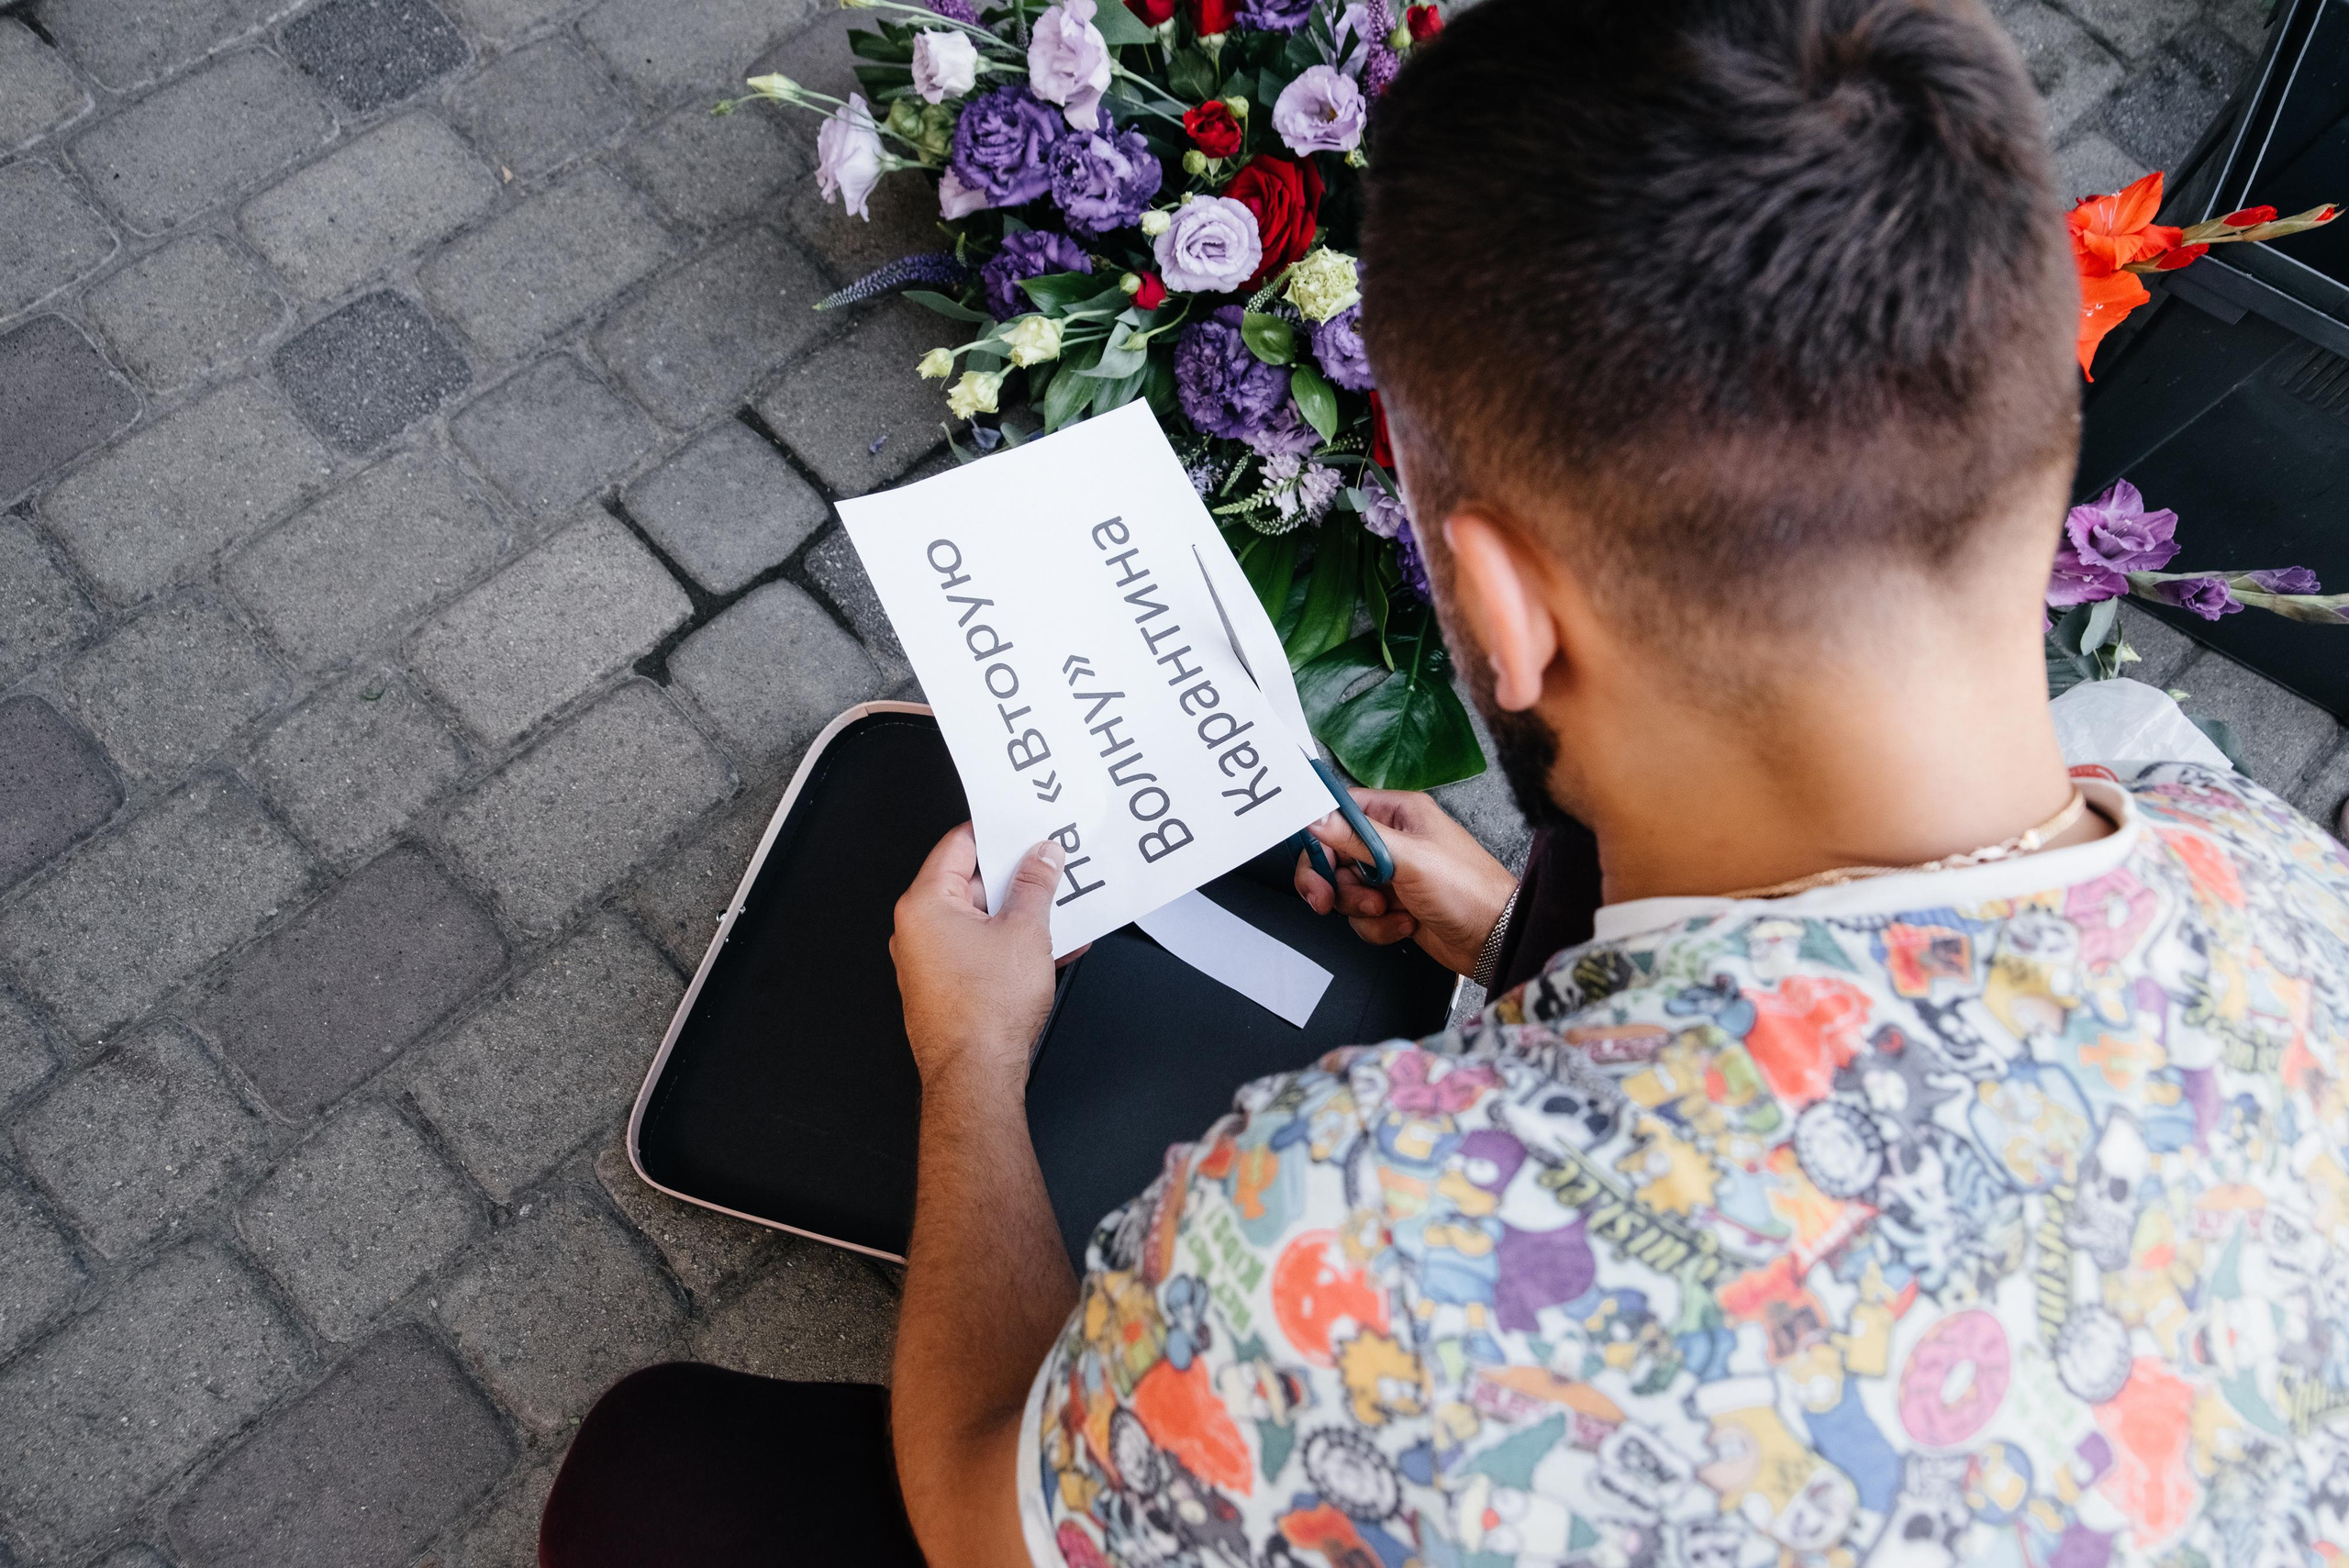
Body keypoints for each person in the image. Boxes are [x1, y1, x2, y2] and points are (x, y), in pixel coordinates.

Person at [541, 0, 2349, 1563]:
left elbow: (973, 1521)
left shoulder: (1363, 1235)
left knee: (663, 1483)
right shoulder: (2263, 866)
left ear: (1488, 596)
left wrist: (969, 1060)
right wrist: (1515, 945)